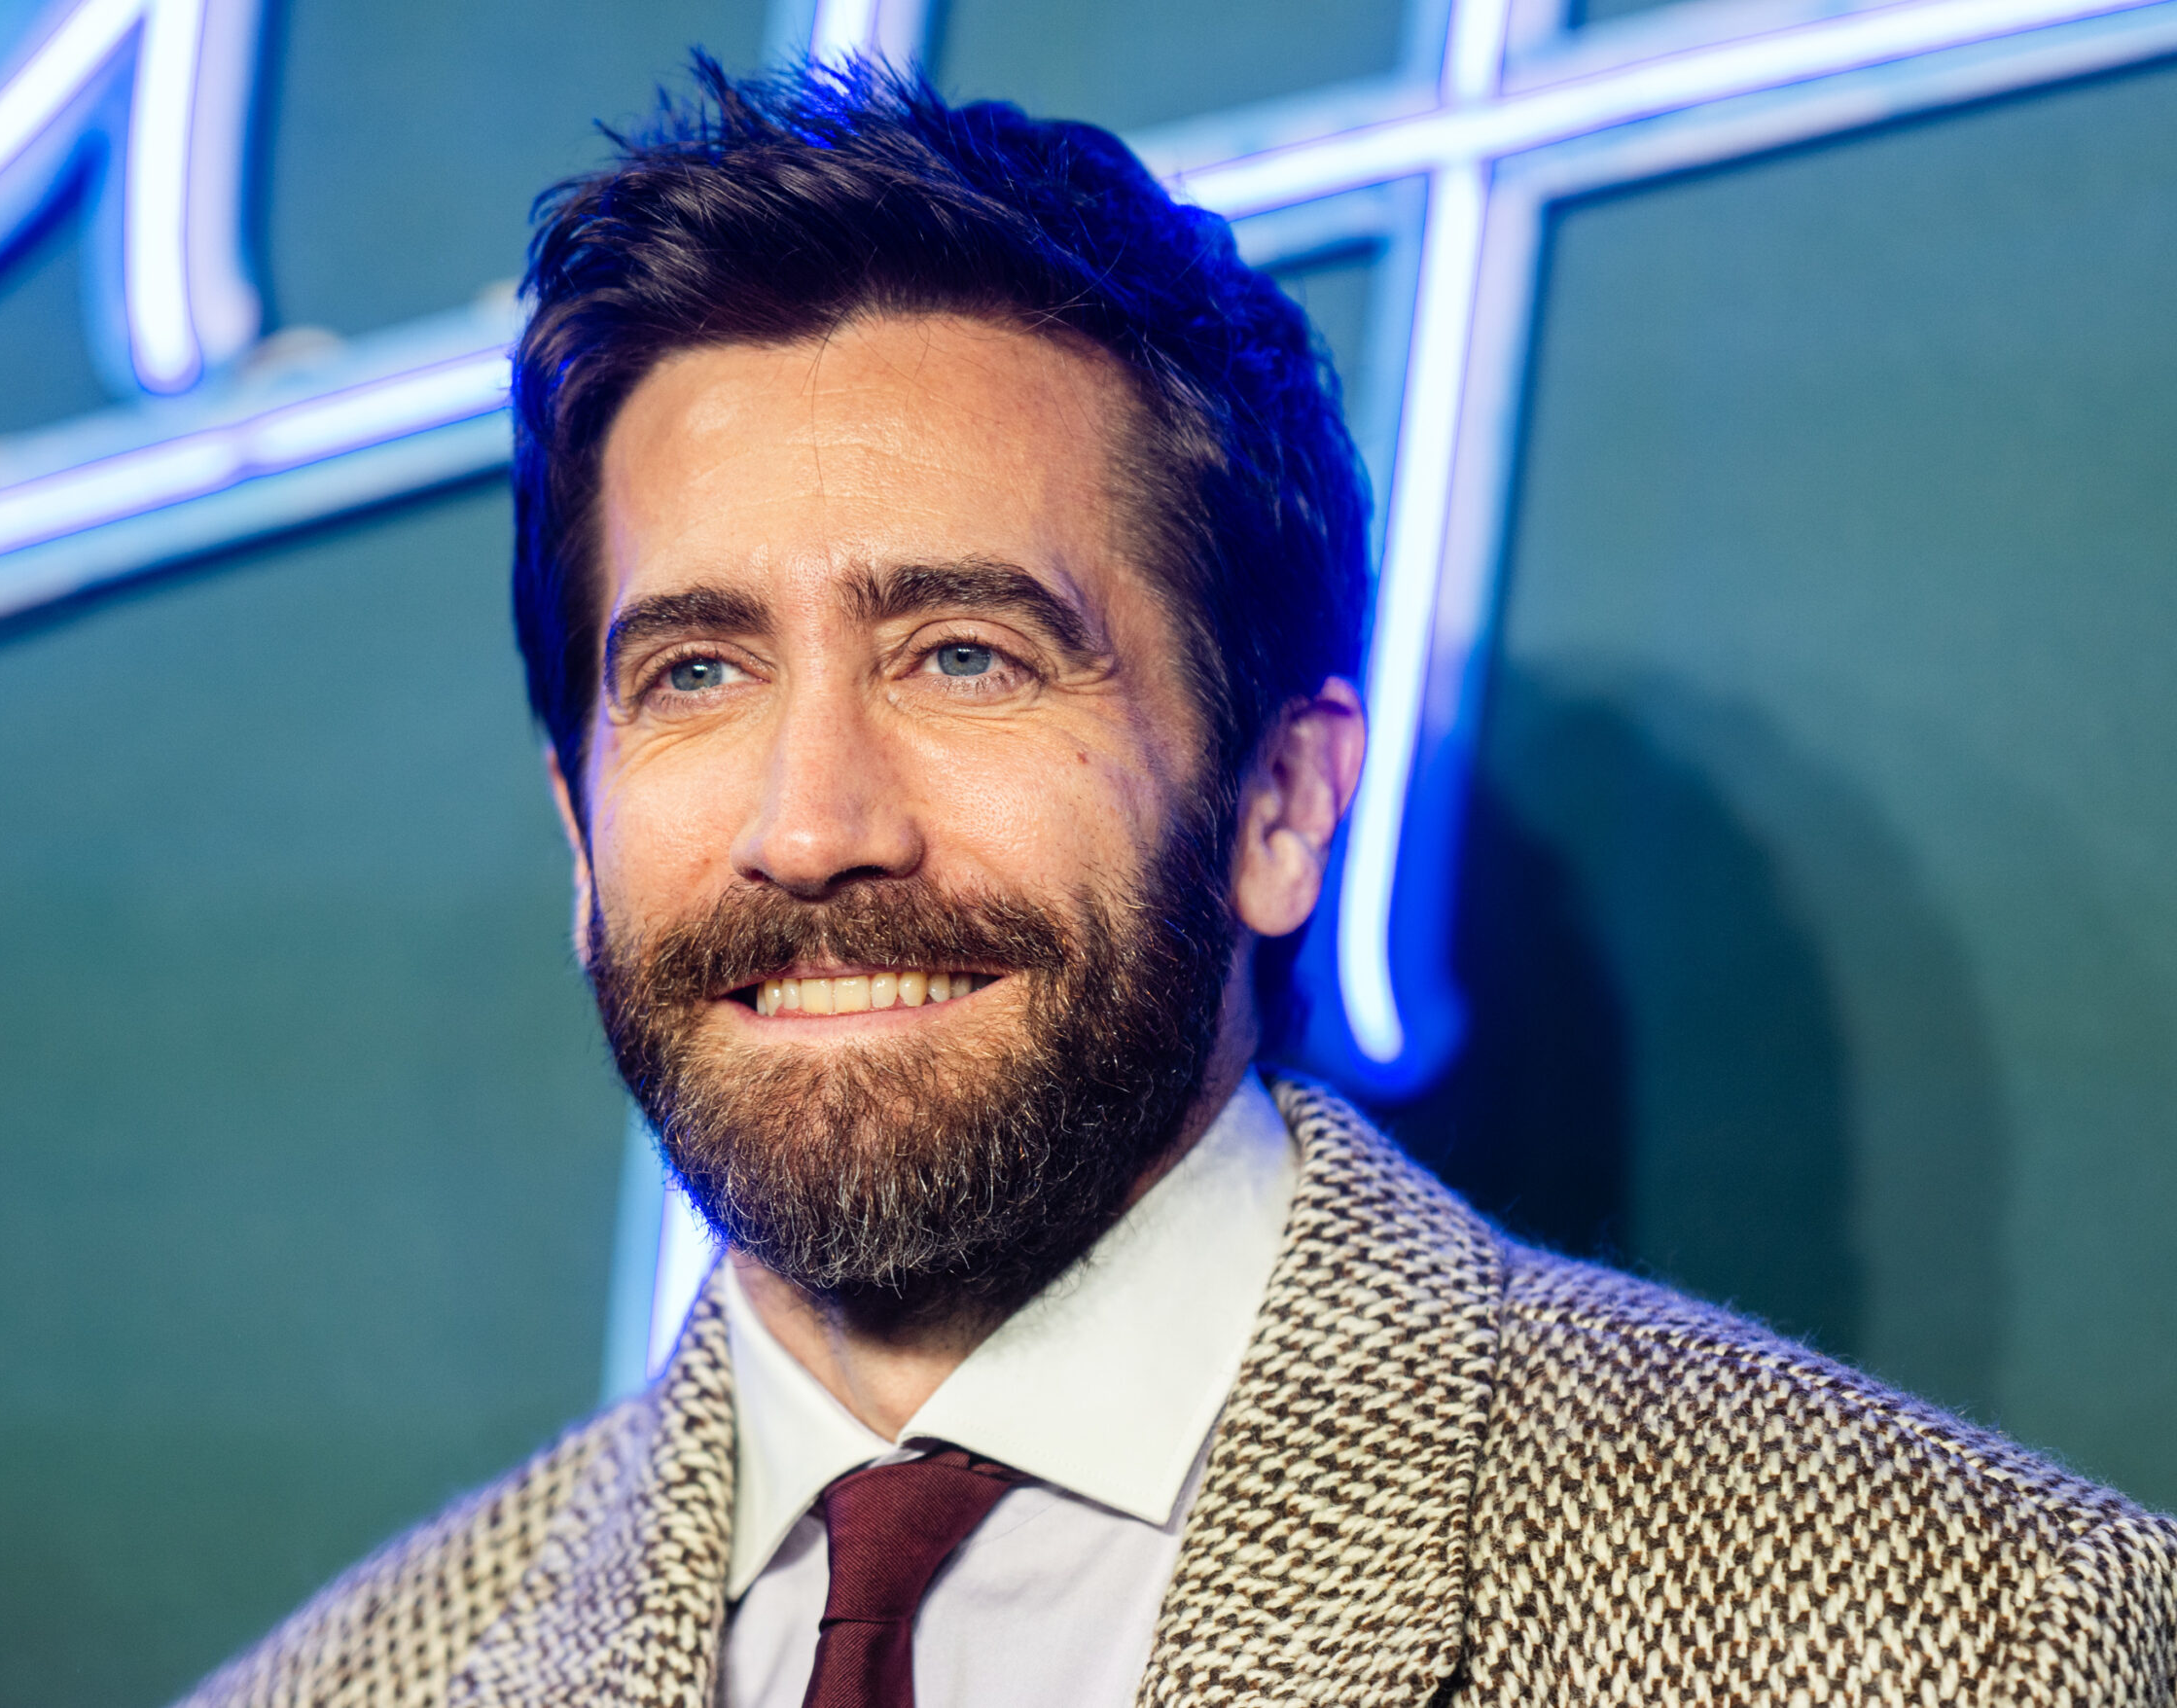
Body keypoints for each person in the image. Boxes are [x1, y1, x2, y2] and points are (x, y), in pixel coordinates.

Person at [174, 58, 2177, 1708]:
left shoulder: (1968, 1640)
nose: (811, 820)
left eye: (964, 654)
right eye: (695, 672)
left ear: (1281, 801)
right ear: (577, 825)